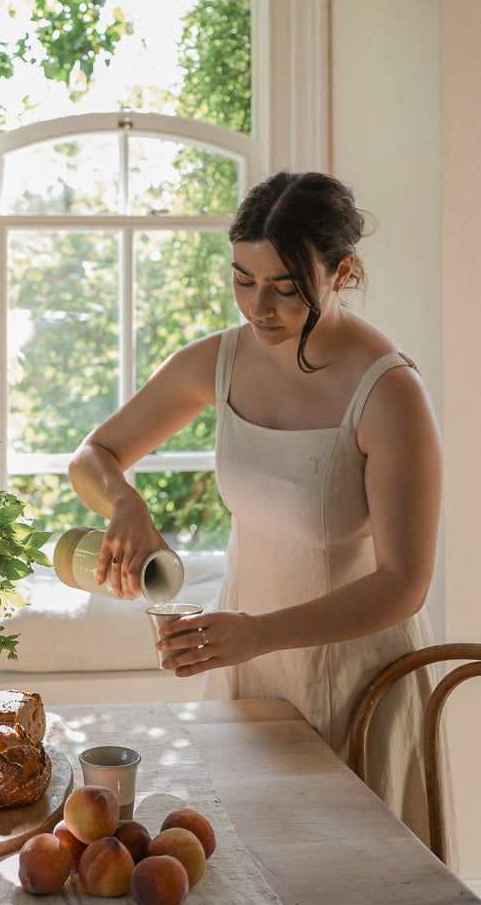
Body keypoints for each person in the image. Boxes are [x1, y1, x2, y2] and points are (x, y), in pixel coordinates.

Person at [69, 169, 446, 849]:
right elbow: (93, 454)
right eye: (243, 280)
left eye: (285, 287)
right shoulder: (220, 361)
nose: (258, 308)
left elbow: (404, 585)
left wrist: (260, 632)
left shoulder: (389, 392)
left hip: (355, 685)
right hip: (245, 670)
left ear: (342, 272)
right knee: (251, 895)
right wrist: (124, 503)